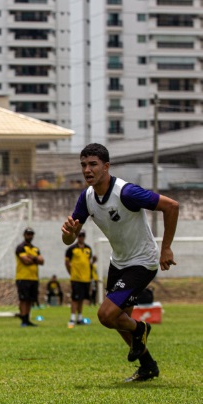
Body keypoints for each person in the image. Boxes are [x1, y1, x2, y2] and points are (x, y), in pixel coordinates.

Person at [61, 143, 179, 382]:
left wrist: (166, 247)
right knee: (118, 320)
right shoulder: (87, 197)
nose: (87, 170)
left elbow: (171, 206)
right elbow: (68, 239)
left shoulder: (126, 192)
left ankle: (141, 329)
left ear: (106, 166)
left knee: (106, 315)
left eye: (93, 164)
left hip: (142, 262)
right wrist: (69, 233)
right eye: (83, 165)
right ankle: (148, 366)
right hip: (119, 262)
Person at [15, 227, 44, 327]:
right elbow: (25, 261)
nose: (29, 236)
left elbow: (42, 261)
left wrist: (32, 257)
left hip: (34, 278)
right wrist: (35, 260)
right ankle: (23, 319)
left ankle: (27, 319)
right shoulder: (21, 247)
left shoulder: (35, 249)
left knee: (30, 300)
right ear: (24, 235)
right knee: (23, 299)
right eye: (28, 234)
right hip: (23, 277)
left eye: (31, 234)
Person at [65, 230, 92, 328]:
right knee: (75, 299)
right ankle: (72, 318)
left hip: (86, 279)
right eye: (79, 235)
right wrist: (71, 273)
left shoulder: (88, 249)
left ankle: (79, 318)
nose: (81, 237)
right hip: (76, 279)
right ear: (77, 237)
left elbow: (88, 262)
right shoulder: (71, 249)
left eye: (83, 235)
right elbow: (67, 263)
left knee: (82, 299)